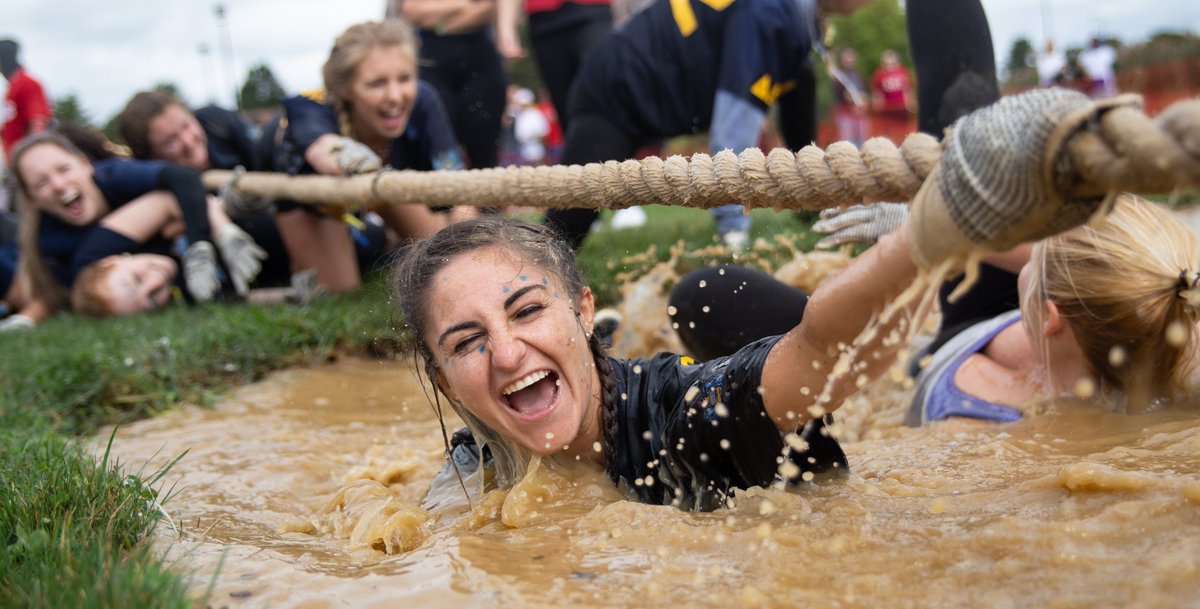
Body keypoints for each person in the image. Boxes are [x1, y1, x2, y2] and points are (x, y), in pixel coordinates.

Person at [541, 0, 871, 252]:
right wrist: (733, 231)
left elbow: (793, 104)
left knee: (801, 79)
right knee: (567, 225)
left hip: (651, 86)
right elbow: (733, 126)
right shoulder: (774, 13)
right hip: (618, 90)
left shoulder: (793, 20)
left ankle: (812, 208)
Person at [910, 194, 1198, 424]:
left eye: (1032, 262)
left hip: (957, 339)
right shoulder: (1180, 314)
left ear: (1050, 316)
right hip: (1069, 335)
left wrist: (913, 241)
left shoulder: (969, 390)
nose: (1025, 264)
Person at [272, 20, 473, 294]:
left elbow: (458, 190)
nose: (395, 96)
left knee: (442, 251)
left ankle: (382, 243)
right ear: (346, 89)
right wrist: (346, 154)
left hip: (380, 185)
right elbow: (322, 149)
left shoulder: (423, 100)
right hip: (314, 201)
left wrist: (473, 258)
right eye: (377, 83)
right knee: (341, 288)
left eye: (404, 78)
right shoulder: (310, 109)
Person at [7, 130, 263, 325]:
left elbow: (180, 181)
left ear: (85, 165)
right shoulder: (58, 246)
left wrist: (205, 238)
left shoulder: (113, 176)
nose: (59, 185)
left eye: (64, 169)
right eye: (41, 184)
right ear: (31, 199)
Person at [116, 90, 293, 287]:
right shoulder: (151, 188)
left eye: (186, 125)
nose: (188, 141)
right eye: (170, 141)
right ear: (151, 158)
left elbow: (261, 166)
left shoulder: (218, 123)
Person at [389, 0, 507, 171]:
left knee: (484, 142)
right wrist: (463, 5)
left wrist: (439, 24)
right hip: (432, 63)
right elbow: (411, 11)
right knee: (438, 136)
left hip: (480, 61)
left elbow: (489, 9)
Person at [0, 39, 52, 161]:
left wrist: (35, 158)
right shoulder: (12, 87)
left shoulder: (28, 83)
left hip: (26, 161)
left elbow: (38, 122)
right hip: (14, 161)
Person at [870, 49, 915, 145]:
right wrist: (877, 105)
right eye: (887, 63)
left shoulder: (903, 72)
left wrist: (910, 103)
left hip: (902, 109)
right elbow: (877, 92)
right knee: (887, 135)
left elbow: (908, 89)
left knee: (905, 133)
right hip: (887, 110)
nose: (890, 66)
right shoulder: (879, 75)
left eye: (892, 63)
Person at [829, 47, 868, 147]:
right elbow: (836, 89)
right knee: (848, 144)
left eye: (851, 59)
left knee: (861, 143)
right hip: (845, 113)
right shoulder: (839, 76)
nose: (849, 61)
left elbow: (865, 93)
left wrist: (864, 98)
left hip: (859, 113)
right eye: (847, 59)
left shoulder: (858, 75)